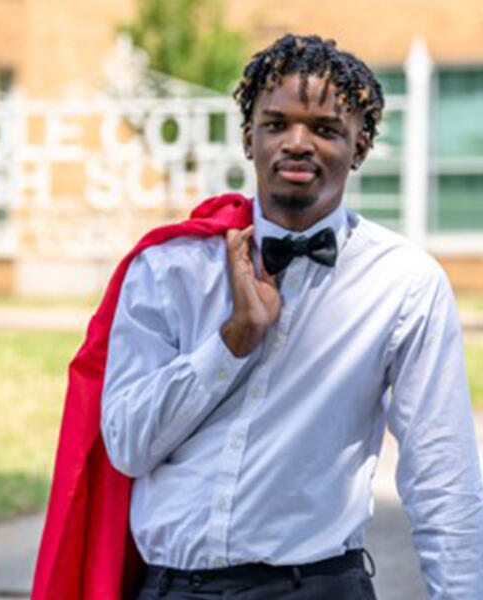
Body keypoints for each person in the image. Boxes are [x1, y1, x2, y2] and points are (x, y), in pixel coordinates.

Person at [32, 34, 483, 599]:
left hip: (316, 588)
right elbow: (127, 445)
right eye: (276, 124)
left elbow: (442, 473)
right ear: (249, 138)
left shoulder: (404, 284)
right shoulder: (168, 270)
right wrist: (234, 340)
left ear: (361, 146)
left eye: (324, 128)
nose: (298, 143)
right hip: (173, 589)